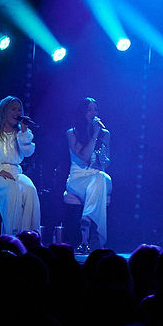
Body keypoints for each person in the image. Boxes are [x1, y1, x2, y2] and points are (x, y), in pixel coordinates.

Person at [0, 95, 40, 235]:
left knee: (30, 189)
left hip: (15, 172)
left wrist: (24, 132)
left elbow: (28, 152)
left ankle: (28, 234)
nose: (17, 113)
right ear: (4, 111)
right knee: (12, 189)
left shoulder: (20, 132)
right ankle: (12, 234)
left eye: (19, 110)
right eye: (13, 109)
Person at [65, 97, 112, 252]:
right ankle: (97, 238)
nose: (94, 113)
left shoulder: (106, 134)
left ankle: (86, 223)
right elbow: (84, 157)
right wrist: (95, 134)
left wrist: (103, 160)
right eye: (89, 110)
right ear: (82, 112)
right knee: (98, 184)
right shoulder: (72, 133)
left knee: (101, 178)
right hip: (78, 178)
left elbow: (107, 162)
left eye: (96, 110)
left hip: (97, 175)